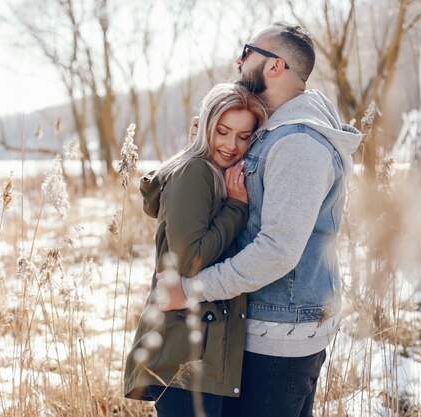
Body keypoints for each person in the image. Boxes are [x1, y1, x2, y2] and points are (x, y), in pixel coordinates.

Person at [157, 23, 362, 417]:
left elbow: (278, 251)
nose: (238, 60)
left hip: (277, 339)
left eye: (247, 51)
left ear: (274, 66)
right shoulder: (276, 130)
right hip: (268, 329)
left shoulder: (299, 143)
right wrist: (199, 154)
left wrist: (194, 289)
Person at [124, 83, 267, 417]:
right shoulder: (195, 171)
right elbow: (188, 262)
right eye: (222, 131)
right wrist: (235, 208)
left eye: (244, 136)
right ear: (205, 127)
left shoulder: (212, 172)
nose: (232, 145)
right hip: (184, 354)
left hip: (202, 351)